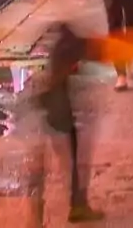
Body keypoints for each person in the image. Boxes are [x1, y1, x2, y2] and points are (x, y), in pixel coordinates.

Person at [32, 20, 99, 225]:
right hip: (60, 116)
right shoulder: (68, 48)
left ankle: (72, 206)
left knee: (50, 166)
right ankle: (77, 206)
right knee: (71, 163)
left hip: (52, 113)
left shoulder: (58, 47)